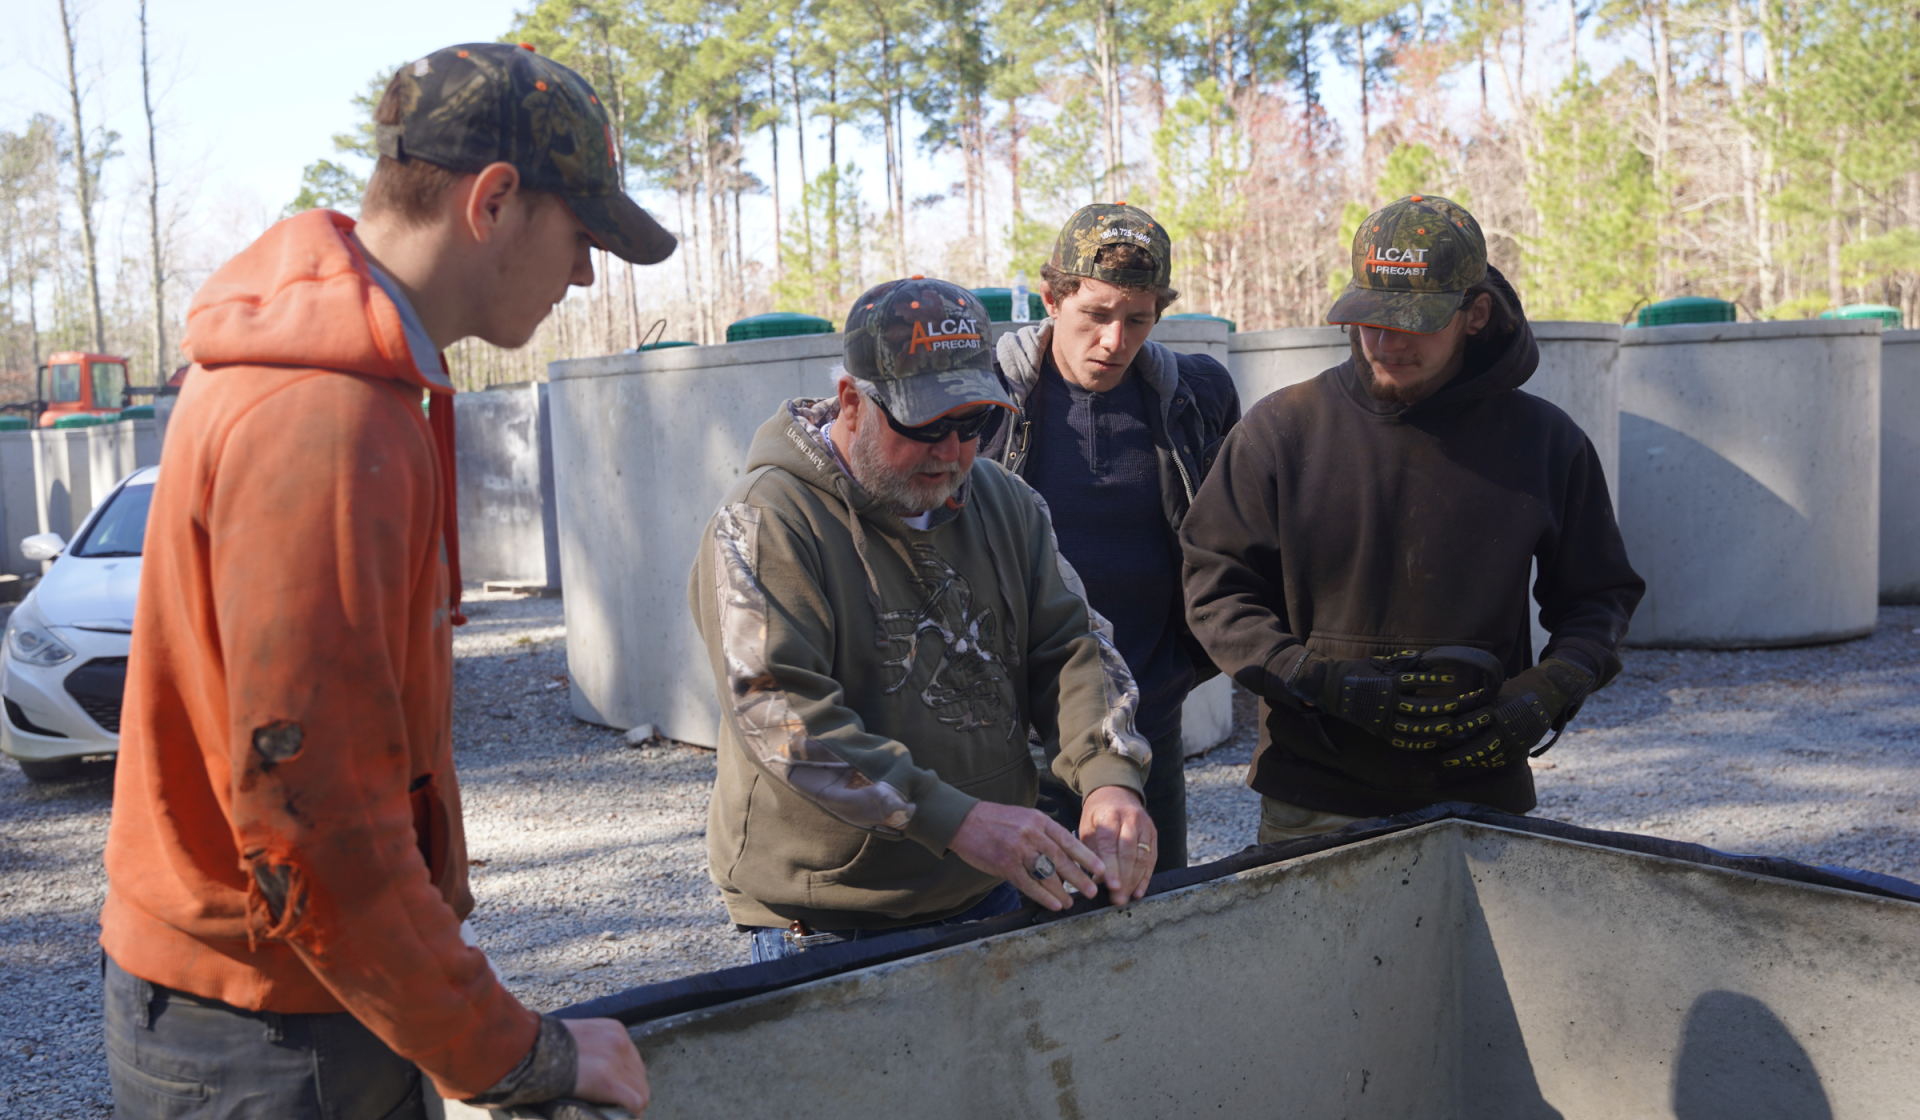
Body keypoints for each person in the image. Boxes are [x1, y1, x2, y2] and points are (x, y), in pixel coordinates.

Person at [98, 43, 671, 1119]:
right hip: (270, 1031)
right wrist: (517, 1050)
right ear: (493, 202)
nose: (587, 274)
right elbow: (315, 818)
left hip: (277, 1002)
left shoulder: (347, 378)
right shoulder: (326, 415)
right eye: (582, 235)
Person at [691, 276, 1159, 961]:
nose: (953, 453)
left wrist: (1108, 776)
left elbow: (1071, 646)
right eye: (926, 426)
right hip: (834, 918)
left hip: (988, 886)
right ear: (853, 401)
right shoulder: (765, 521)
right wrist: (956, 819)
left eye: (974, 424)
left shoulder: (1006, 502)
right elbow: (781, 713)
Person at [1180, 195, 1644, 843]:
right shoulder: (1281, 432)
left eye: (1414, 322)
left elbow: (1600, 596)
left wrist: (1549, 689)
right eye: (1371, 319)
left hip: (1481, 790)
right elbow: (1215, 592)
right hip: (1314, 793)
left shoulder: (1544, 441)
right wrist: (1317, 681)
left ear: (1474, 314)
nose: (1388, 342)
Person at [979, 203, 1240, 872]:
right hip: (1017, 735)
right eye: (1095, 315)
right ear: (1052, 298)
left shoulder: (1195, 396)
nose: (1114, 341)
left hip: (1150, 721)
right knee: (1025, 944)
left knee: (1152, 924)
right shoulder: (985, 400)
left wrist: (1183, 671)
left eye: (1138, 320)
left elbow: (1228, 541)